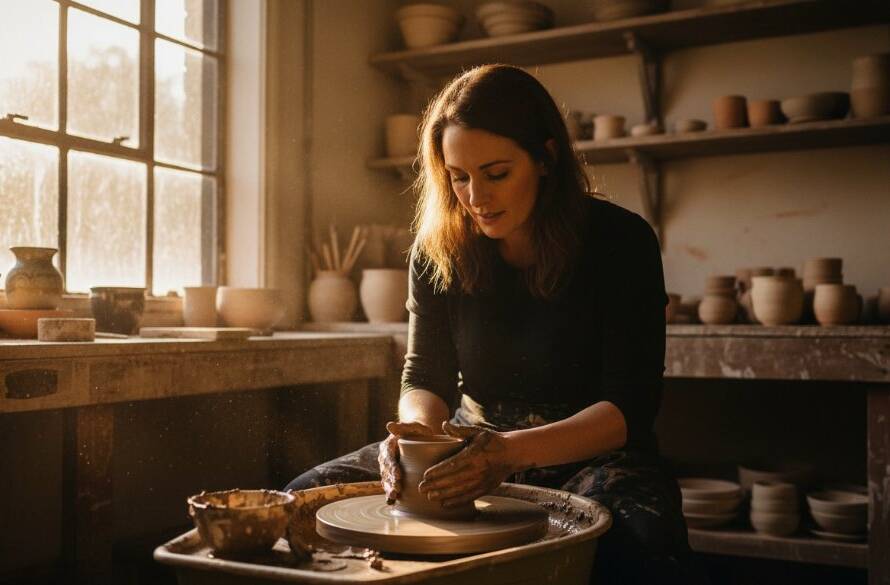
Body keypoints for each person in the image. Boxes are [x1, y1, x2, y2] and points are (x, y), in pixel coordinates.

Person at [287, 64, 704, 584]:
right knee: (300, 502)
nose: (475, 196)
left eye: (496, 173)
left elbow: (630, 409)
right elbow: (424, 374)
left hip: (593, 454)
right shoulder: (437, 250)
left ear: (546, 158)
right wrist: (418, 436)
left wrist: (510, 454)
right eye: (458, 176)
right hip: (470, 445)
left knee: (638, 543)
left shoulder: (621, 242)